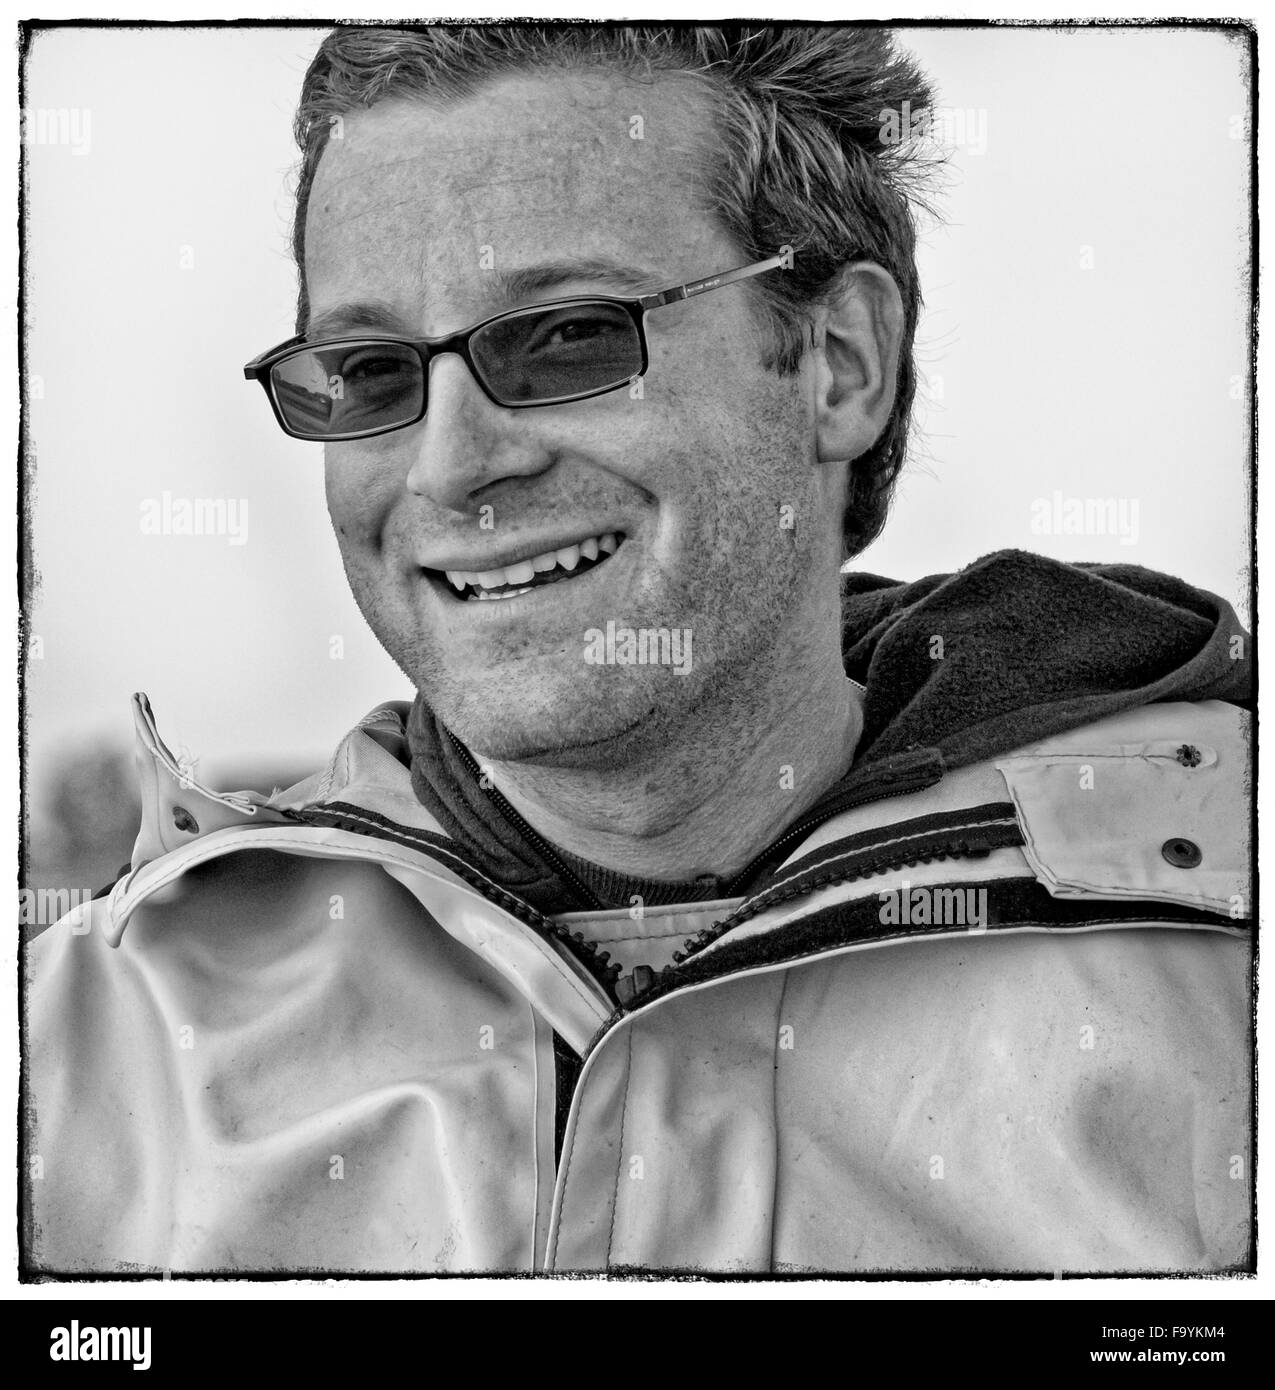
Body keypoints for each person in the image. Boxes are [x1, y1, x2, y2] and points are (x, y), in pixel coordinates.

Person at [26, 23, 1252, 1276]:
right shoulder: (83, 1044)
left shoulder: (1226, 1006)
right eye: (373, 370)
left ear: (838, 365)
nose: (455, 465)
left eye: (567, 336)